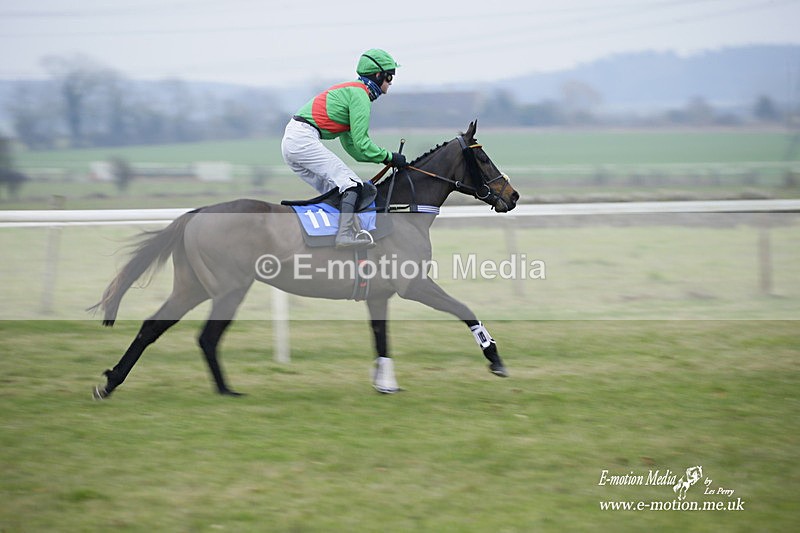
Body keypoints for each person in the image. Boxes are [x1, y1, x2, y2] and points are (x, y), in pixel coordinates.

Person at [281, 48, 407, 249]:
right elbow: (362, 144)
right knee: (352, 185)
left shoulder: (355, 92)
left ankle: (332, 240)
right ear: (378, 75)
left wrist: (386, 159)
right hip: (302, 139)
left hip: (295, 140)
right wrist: (389, 156)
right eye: (390, 76)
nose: (391, 81)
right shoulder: (360, 95)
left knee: (340, 192)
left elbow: (354, 148)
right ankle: (344, 236)